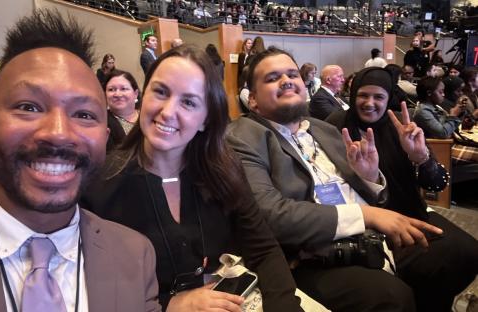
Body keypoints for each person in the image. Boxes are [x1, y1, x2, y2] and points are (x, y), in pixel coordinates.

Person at [81, 45, 304, 312]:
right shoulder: (100, 184)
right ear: (143, 96)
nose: (167, 111)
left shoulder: (224, 168)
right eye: (161, 92)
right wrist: (169, 304)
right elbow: (91, 287)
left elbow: (264, 249)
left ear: (205, 119)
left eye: (188, 102)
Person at [226, 46, 442, 312]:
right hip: (314, 250)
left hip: (371, 237)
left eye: (292, 74)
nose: (286, 81)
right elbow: (268, 214)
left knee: (456, 254)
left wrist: (370, 177)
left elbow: (375, 196)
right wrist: (366, 215)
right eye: (272, 78)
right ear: (253, 100)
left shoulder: (325, 128)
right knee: (391, 298)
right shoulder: (242, 135)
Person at [0, 9, 160, 311]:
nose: (59, 134)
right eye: (29, 107)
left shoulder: (135, 256)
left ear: (104, 137)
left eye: (84, 114)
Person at [325, 67, 478, 311]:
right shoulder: (334, 126)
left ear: (388, 99)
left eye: (379, 97)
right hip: (364, 225)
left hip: (410, 213)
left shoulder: (402, 126)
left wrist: (421, 157)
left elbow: (437, 184)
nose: (369, 103)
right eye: (363, 95)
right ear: (353, 95)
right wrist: (367, 179)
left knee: (467, 252)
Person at [104, 69, 141, 151]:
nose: (117, 94)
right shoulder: (103, 123)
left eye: (123, 89)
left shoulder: (147, 117)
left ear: (135, 94)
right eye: (111, 89)